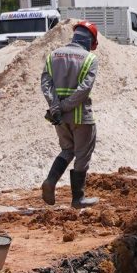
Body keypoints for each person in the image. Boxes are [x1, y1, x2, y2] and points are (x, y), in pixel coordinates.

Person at [40, 21, 99, 208]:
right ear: (90, 41)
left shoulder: (52, 56)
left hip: (58, 117)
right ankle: (78, 198)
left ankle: (51, 181)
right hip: (81, 117)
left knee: (67, 150)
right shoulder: (90, 59)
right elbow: (84, 89)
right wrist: (65, 106)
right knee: (82, 155)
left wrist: (56, 107)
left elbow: (46, 84)